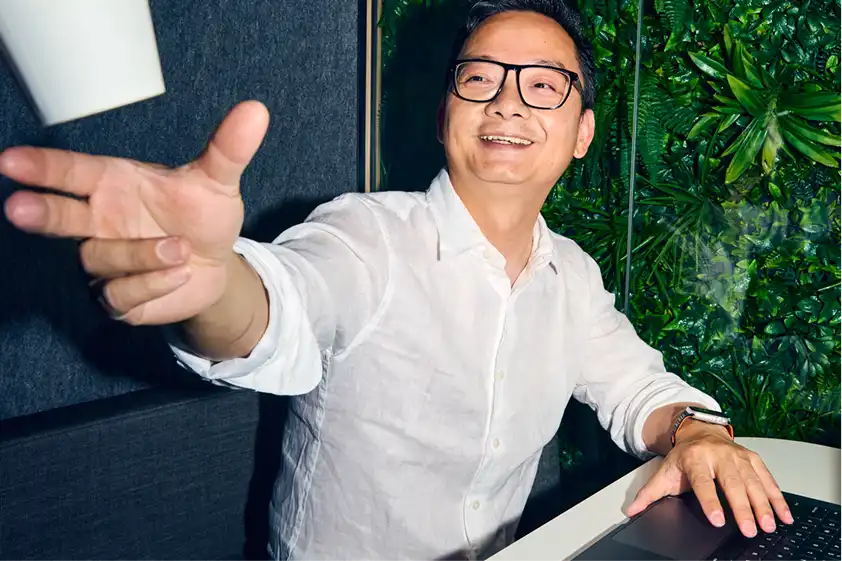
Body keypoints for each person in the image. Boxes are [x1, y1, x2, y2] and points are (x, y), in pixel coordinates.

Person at [1, 0, 793, 559]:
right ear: (448, 106)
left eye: (544, 83)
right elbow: (283, 306)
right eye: (481, 77)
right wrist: (213, 285)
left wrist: (695, 433)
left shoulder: (571, 276)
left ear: (581, 132)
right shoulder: (365, 234)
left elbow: (639, 388)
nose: (509, 101)